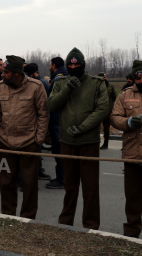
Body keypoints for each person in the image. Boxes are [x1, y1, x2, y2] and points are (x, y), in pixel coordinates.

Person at [48, 47, 108, 230]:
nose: (74, 68)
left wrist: (82, 128)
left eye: (78, 65)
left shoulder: (96, 83)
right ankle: (65, 223)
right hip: (67, 142)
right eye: (70, 66)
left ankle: (91, 225)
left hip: (88, 143)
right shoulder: (61, 82)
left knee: (90, 189)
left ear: (83, 65)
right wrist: (68, 88)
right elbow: (51, 105)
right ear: (67, 66)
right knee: (69, 187)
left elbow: (103, 109)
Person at [0, 55, 49, 219]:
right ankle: (8, 216)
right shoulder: (0, 87)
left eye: (6, 72)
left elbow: (43, 115)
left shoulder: (36, 87)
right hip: (6, 144)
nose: (2, 75)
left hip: (29, 144)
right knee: (6, 183)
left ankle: (27, 218)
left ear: (17, 73)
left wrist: (38, 140)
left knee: (29, 184)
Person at [111, 60, 142, 238]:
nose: (140, 78)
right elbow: (114, 118)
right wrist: (128, 122)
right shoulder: (125, 95)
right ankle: (131, 233)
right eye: (138, 75)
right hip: (132, 154)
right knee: (132, 198)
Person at [45, 57, 68, 189]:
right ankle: (62, 177)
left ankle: (62, 179)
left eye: (50, 64)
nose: (49, 66)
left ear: (54, 65)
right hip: (60, 120)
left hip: (57, 120)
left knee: (59, 151)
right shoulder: (63, 76)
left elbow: (55, 101)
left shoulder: (58, 79)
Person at [98, 72, 116, 150]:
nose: (105, 78)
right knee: (95, 128)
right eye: (104, 77)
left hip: (108, 111)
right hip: (97, 111)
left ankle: (106, 143)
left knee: (106, 128)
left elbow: (114, 97)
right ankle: (96, 143)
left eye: (106, 77)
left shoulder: (110, 86)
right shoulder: (96, 86)